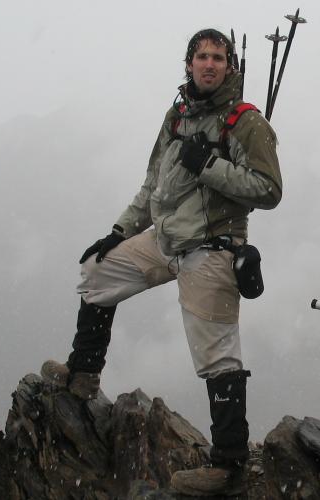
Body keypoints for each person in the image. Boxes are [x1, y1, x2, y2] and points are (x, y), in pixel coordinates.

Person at [41, 28, 282, 496]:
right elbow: (153, 183)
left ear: (229, 66)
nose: (209, 64)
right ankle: (83, 374)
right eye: (201, 56)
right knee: (96, 274)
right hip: (165, 239)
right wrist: (119, 232)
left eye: (218, 58)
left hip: (212, 246)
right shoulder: (177, 115)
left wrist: (208, 165)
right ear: (189, 64)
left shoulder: (246, 122)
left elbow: (269, 190)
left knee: (218, 356)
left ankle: (228, 466)